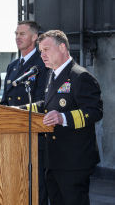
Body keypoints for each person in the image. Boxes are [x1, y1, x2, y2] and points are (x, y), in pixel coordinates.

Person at [29, 30, 102, 205]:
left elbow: (94, 111)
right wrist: (19, 110)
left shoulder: (80, 76)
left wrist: (63, 118)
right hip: (53, 159)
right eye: (40, 51)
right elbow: (47, 106)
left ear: (62, 47)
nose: (42, 55)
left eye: (46, 49)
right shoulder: (51, 75)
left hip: (74, 161)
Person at [0, 21, 49, 205]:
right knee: (15, 186)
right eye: (16, 33)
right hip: (12, 137)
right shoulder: (13, 66)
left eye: (22, 34)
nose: (17, 37)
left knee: (36, 189)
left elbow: (44, 101)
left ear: (35, 37)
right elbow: (5, 101)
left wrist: (17, 111)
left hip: (34, 137)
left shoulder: (42, 64)